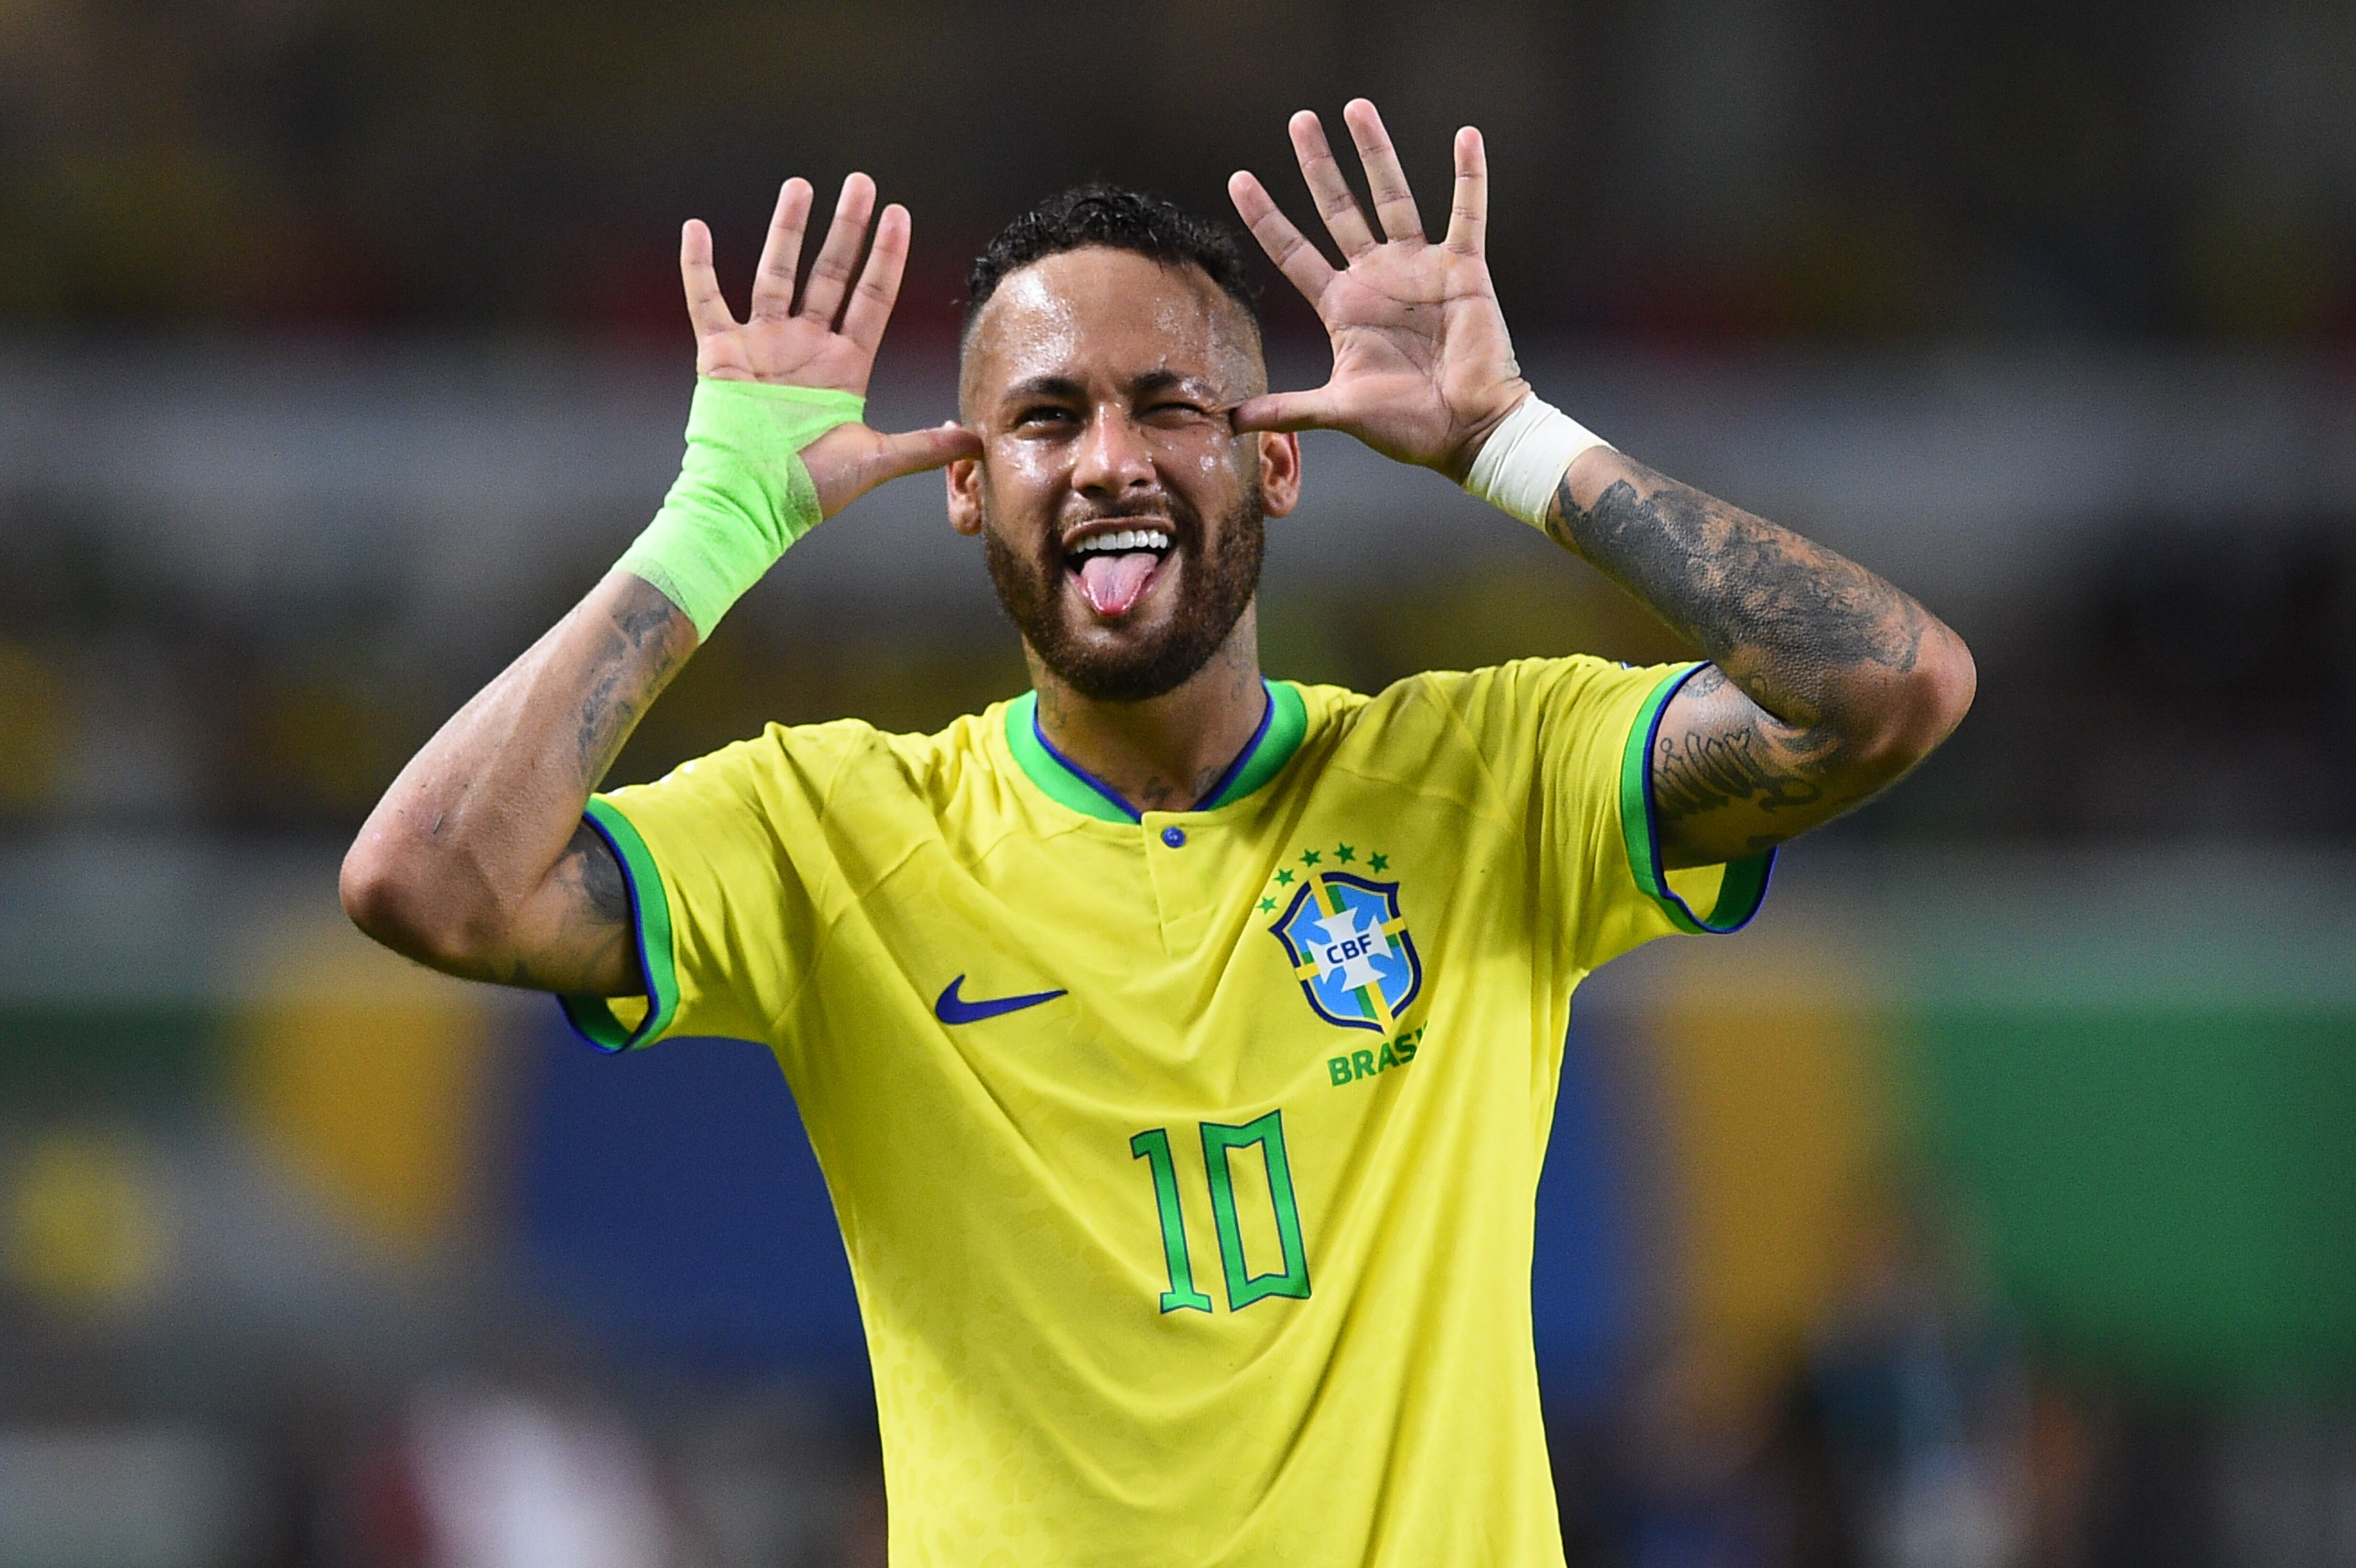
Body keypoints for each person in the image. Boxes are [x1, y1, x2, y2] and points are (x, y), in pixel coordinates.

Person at [342, 100, 1973, 1566]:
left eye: (1170, 405)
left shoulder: (1491, 782)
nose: (1110, 461)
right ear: (968, 487)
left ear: (1277, 459)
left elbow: (1888, 691)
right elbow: (428, 884)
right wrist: (713, 526)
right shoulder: (831, 833)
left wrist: (1513, 442)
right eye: (1046, 419)